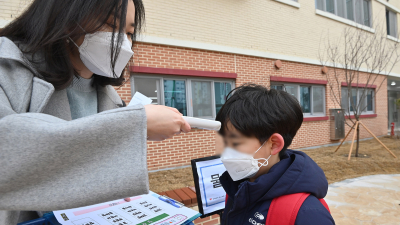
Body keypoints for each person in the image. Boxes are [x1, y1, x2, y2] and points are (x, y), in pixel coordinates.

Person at [0, 0, 191, 224]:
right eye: (111, 25)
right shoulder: (8, 68)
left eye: (129, 32)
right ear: (65, 16)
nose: (123, 42)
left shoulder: (109, 96)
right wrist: (133, 125)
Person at [215, 84, 335, 225]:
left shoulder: (308, 214)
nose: (225, 152)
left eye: (235, 143)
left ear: (274, 144)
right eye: (224, 141)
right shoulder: (237, 189)